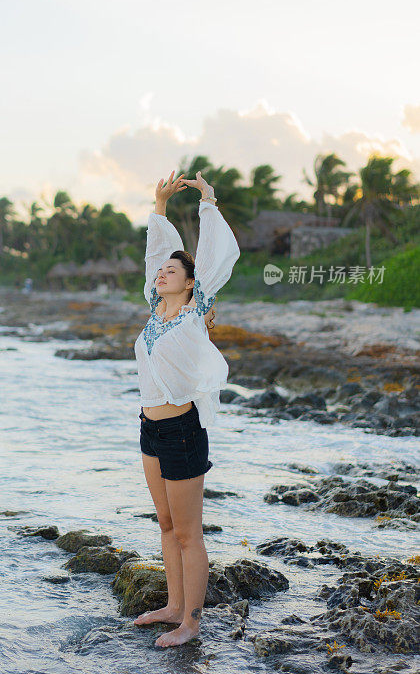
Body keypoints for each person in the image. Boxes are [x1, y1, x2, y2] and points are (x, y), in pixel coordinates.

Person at [133, 169, 241, 647]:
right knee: (166, 525)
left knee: (188, 533)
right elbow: (157, 251)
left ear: (193, 284)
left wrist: (207, 200)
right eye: (159, 272)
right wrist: (157, 207)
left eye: (172, 272)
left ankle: (192, 622)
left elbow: (217, 253)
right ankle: (173, 606)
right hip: (150, 430)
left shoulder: (195, 312)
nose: (161, 274)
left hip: (182, 430)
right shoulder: (154, 310)